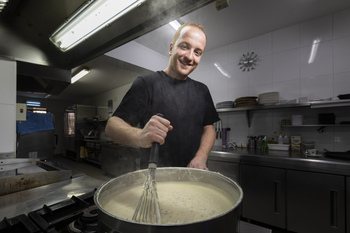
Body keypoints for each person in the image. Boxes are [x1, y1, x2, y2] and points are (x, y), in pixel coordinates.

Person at [105, 23, 220, 170]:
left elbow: (209, 128)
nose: (190, 57)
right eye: (184, 46)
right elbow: (111, 126)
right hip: (154, 178)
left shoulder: (202, 90)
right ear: (171, 48)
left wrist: (201, 157)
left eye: (197, 52)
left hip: (193, 174)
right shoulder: (146, 83)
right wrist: (141, 135)